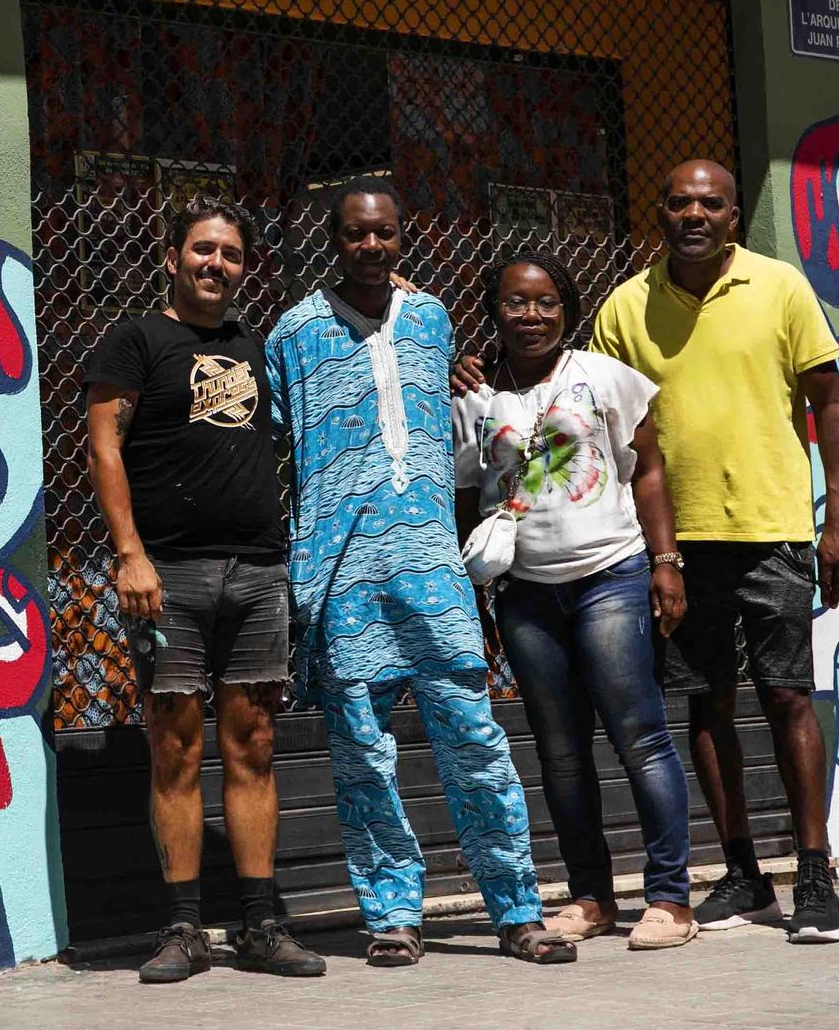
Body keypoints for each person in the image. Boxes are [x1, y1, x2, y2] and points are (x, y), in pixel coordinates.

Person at [266, 176, 570, 969]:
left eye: (385, 234)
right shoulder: (292, 333)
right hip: (340, 575)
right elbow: (265, 435)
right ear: (332, 239)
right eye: (355, 234)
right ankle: (394, 913)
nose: (371, 246)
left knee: (474, 738)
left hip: (432, 565)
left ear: (404, 239)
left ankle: (517, 908)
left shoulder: (431, 319)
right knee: (362, 754)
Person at [588, 159, 839, 944]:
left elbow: (831, 404)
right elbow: (598, 420)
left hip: (772, 527)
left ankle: (813, 872)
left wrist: (837, 519)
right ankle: (742, 871)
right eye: (680, 203)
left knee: (787, 697)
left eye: (711, 204)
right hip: (675, 542)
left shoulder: (781, 287)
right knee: (703, 701)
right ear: (660, 213)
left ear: (734, 216)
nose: (695, 215)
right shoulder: (623, 308)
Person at [85, 196, 327, 984]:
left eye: (228, 253)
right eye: (201, 250)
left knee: (253, 744)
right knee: (176, 747)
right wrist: (130, 554)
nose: (214, 263)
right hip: (170, 577)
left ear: (243, 267)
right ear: (172, 257)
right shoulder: (135, 340)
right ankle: (184, 926)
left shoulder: (254, 347)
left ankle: (260, 922)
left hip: (258, 572)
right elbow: (103, 447)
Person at [454, 251, 696, 952]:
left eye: (545, 303)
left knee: (639, 736)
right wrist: (475, 586)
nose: (531, 316)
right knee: (560, 753)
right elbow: (472, 491)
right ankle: (591, 896)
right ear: (494, 310)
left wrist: (666, 562)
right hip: (526, 593)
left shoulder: (603, 376)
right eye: (515, 303)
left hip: (610, 576)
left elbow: (649, 470)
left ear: (567, 307)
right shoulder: (473, 397)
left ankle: (670, 898)